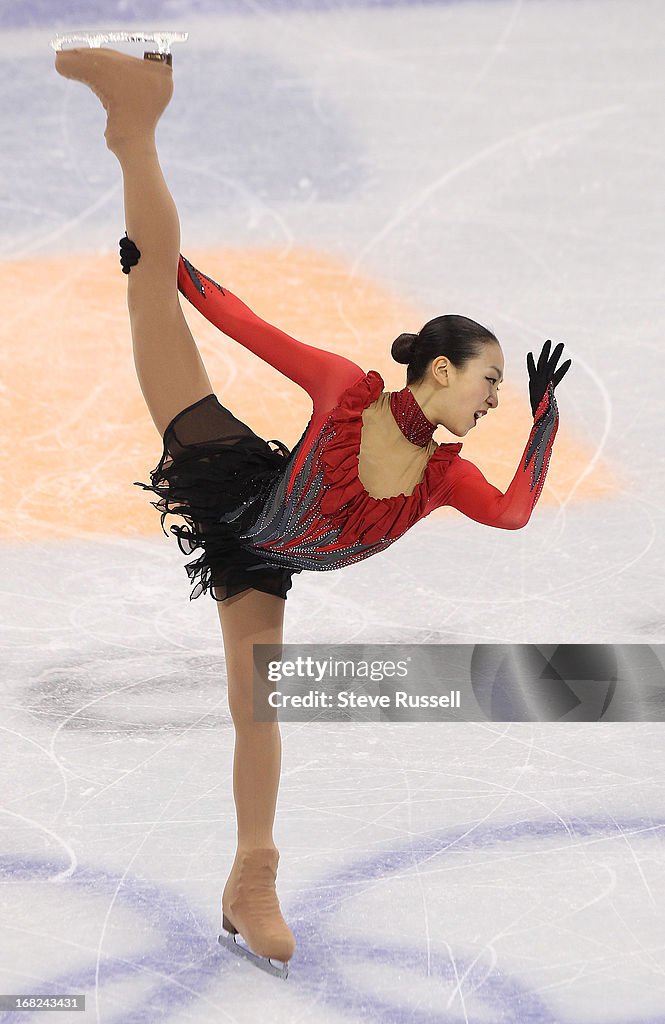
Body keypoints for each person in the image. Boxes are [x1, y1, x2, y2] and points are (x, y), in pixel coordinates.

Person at [54, 43, 571, 978]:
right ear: (441, 370)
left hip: (266, 553)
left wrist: (543, 425)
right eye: (490, 381)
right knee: (148, 300)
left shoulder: (443, 477)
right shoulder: (347, 392)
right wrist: (170, 270)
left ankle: (252, 877)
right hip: (231, 481)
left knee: (257, 702)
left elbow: (512, 516)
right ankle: (137, 117)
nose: (495, 396)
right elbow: (247, 322)